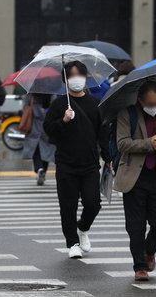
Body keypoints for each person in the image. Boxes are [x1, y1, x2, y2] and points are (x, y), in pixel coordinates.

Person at [43, 60, 110, 259]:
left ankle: (83, 228)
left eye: (80, 74)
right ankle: (72, 242)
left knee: (93, 203)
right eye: (71, 75)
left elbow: (103, 132)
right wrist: (63, 121)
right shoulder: (59, 104)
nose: (76, 79)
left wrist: (108, 157)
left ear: (86, 77)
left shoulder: (94, 104)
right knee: (68, 205)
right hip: (65, 163)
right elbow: (49, 131)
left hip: (90, 163)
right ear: (65, 79)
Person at [114, 80, 156, 281]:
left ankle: (149, 250)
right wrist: (148, 144)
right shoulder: (127, 114)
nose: (154, 107)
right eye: (150, 103)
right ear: (141, 100)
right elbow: (122, 143)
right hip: (135, 177)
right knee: (136, 226)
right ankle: (139, 267)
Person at [22, 94, 56, 186]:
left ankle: (39, 169)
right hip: (47, 126)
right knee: (46, 150)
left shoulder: (32, 94)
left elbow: (25, 107)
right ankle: (43, 170)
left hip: (34, 126)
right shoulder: (52, 93)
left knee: (35, 150)